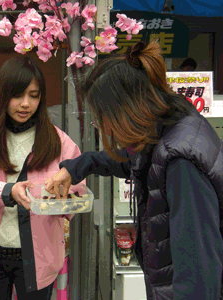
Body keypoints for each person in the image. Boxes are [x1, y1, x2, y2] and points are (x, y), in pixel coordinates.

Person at [45, 40, 223, 300]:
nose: (104, 129)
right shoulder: (169, 129)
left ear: (125, 111)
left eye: (102, 120)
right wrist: (76, 167)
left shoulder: (182, 166)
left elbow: (198, 279)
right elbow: (132, 162)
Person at [0, 56, 83, 300]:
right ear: (3, 95)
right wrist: (8, 191)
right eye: (17, 95)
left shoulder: (58, 141)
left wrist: (63, 199)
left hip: (40, 255)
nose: (25, 104)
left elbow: (77, 190)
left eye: (34, 95)